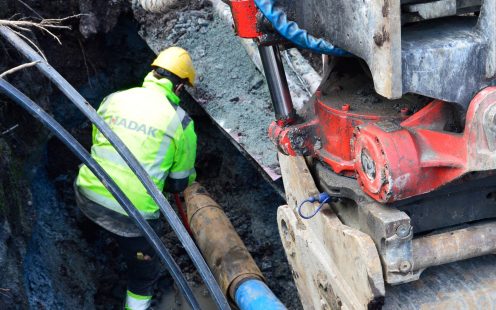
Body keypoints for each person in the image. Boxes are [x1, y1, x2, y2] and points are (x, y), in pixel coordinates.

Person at [75, 47, 197, 310]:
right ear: (179, 88)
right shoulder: (182, 123)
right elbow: (178, 183)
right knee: (143, 277)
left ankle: (88, 238)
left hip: (86, 195)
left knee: (94, 218)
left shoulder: (114, 98)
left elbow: (97, 139)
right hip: (132, 218)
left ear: (152, 73)